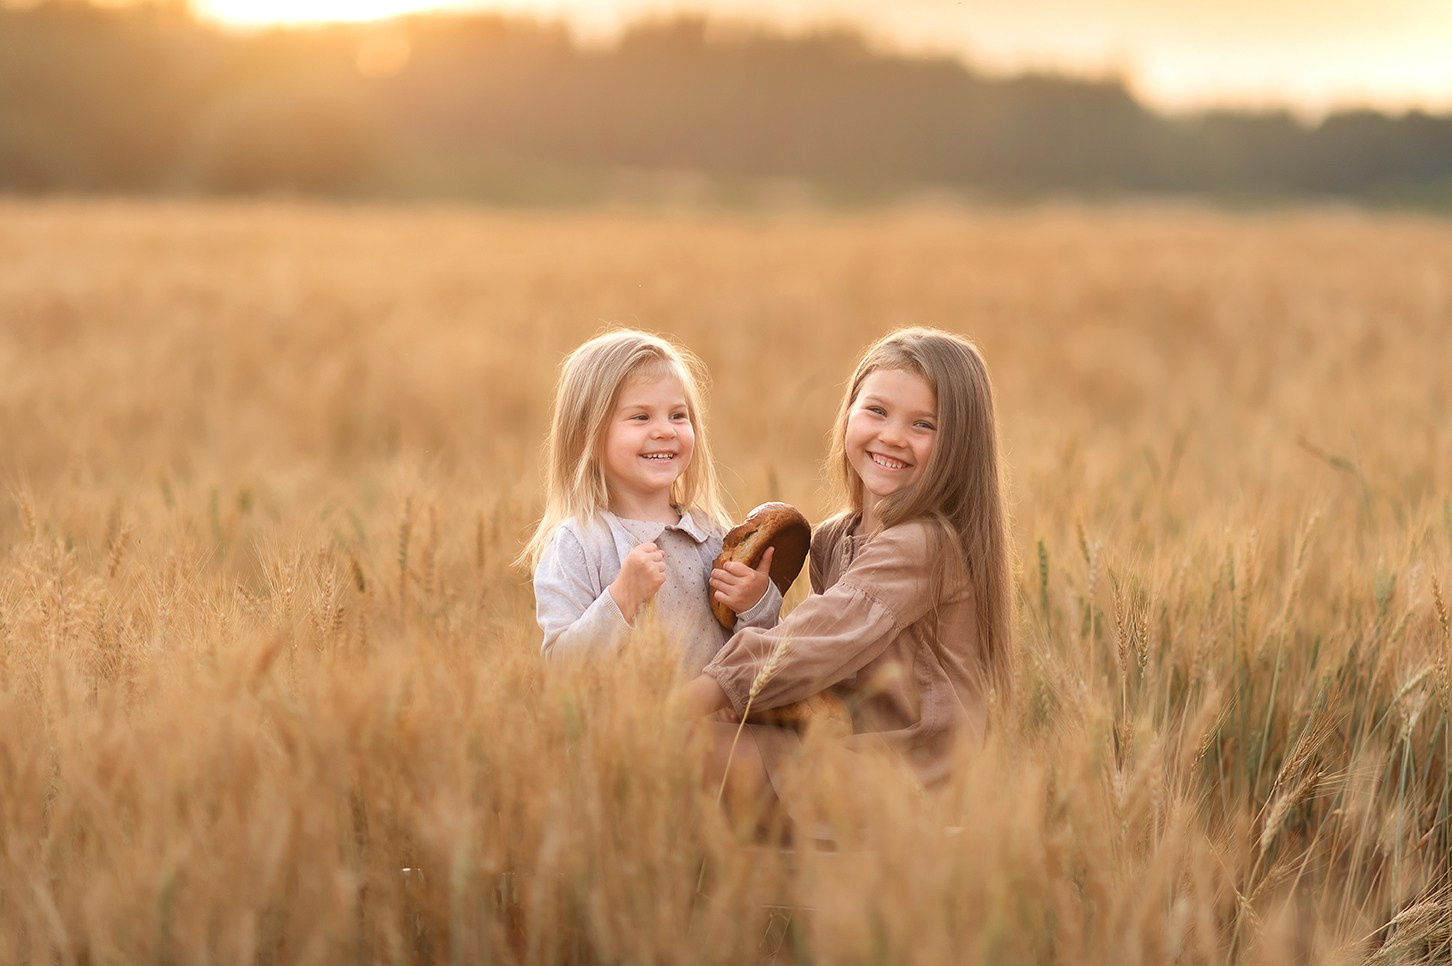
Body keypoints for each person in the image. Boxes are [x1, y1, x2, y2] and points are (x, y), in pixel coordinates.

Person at [676, 327, 1014, 826]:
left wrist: (683, 703)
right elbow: (826, 661)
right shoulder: (834, 539)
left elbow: (814, 637)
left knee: (680, 749)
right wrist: (753, 631)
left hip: (912, 779)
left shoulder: (925, 544)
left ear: (958, 445)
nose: (893, 436)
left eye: (924, 424)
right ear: (849, 413)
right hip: (848, 756)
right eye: (876, 411)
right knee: (699, 752)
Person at [521, 329, 781, 673]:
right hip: (629, 726)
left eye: (678, 415)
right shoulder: (579, 543)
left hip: (712, 724)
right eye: (641, 417)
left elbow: (763, 663)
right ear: (586, 437)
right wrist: (621, 598)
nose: (665, 430)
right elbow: (560, 671)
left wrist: (757, 605)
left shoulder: (712, 537)